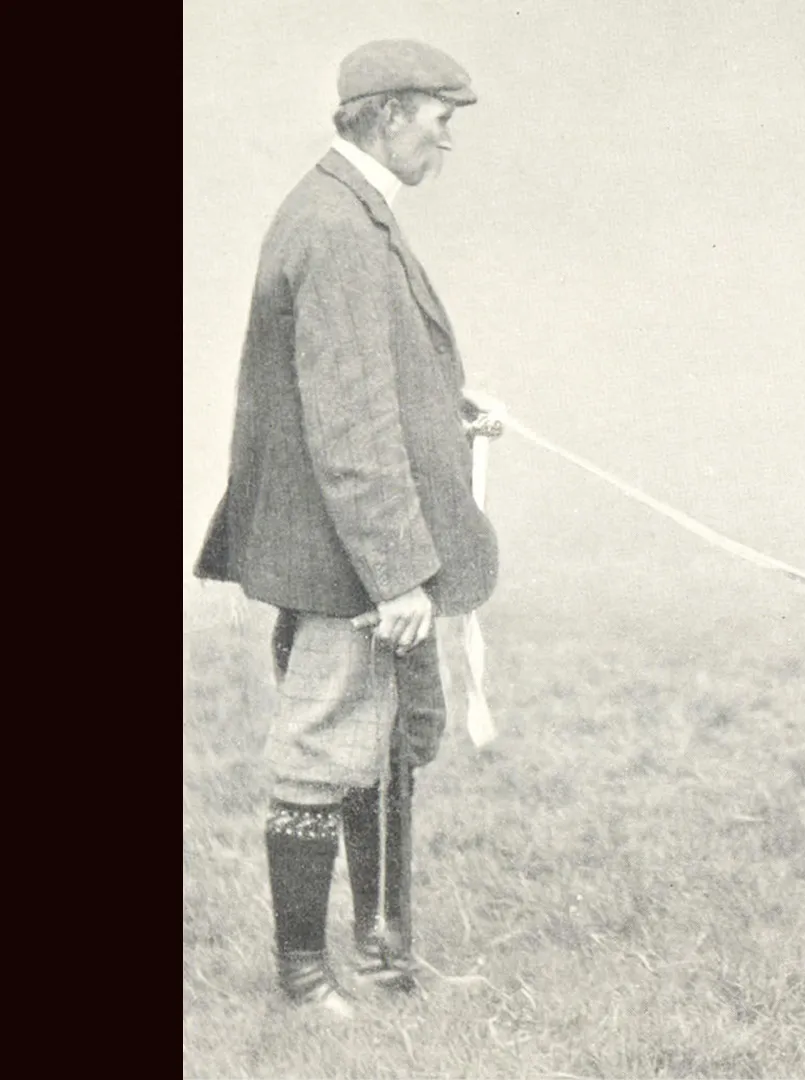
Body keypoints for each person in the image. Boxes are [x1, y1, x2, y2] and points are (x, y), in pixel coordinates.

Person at [194, 39, 500, 1017]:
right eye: (439, 121)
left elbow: (366, 383)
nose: (446, 142)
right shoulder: (336, 227)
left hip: (358, 548)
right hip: (349, 561)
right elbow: (346, 426)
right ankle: (303, 981)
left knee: (388, 747)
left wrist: (446, 405)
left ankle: (382, 962)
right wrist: (400, 577)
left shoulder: (349, 212)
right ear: (387, 114)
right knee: (323, 752)